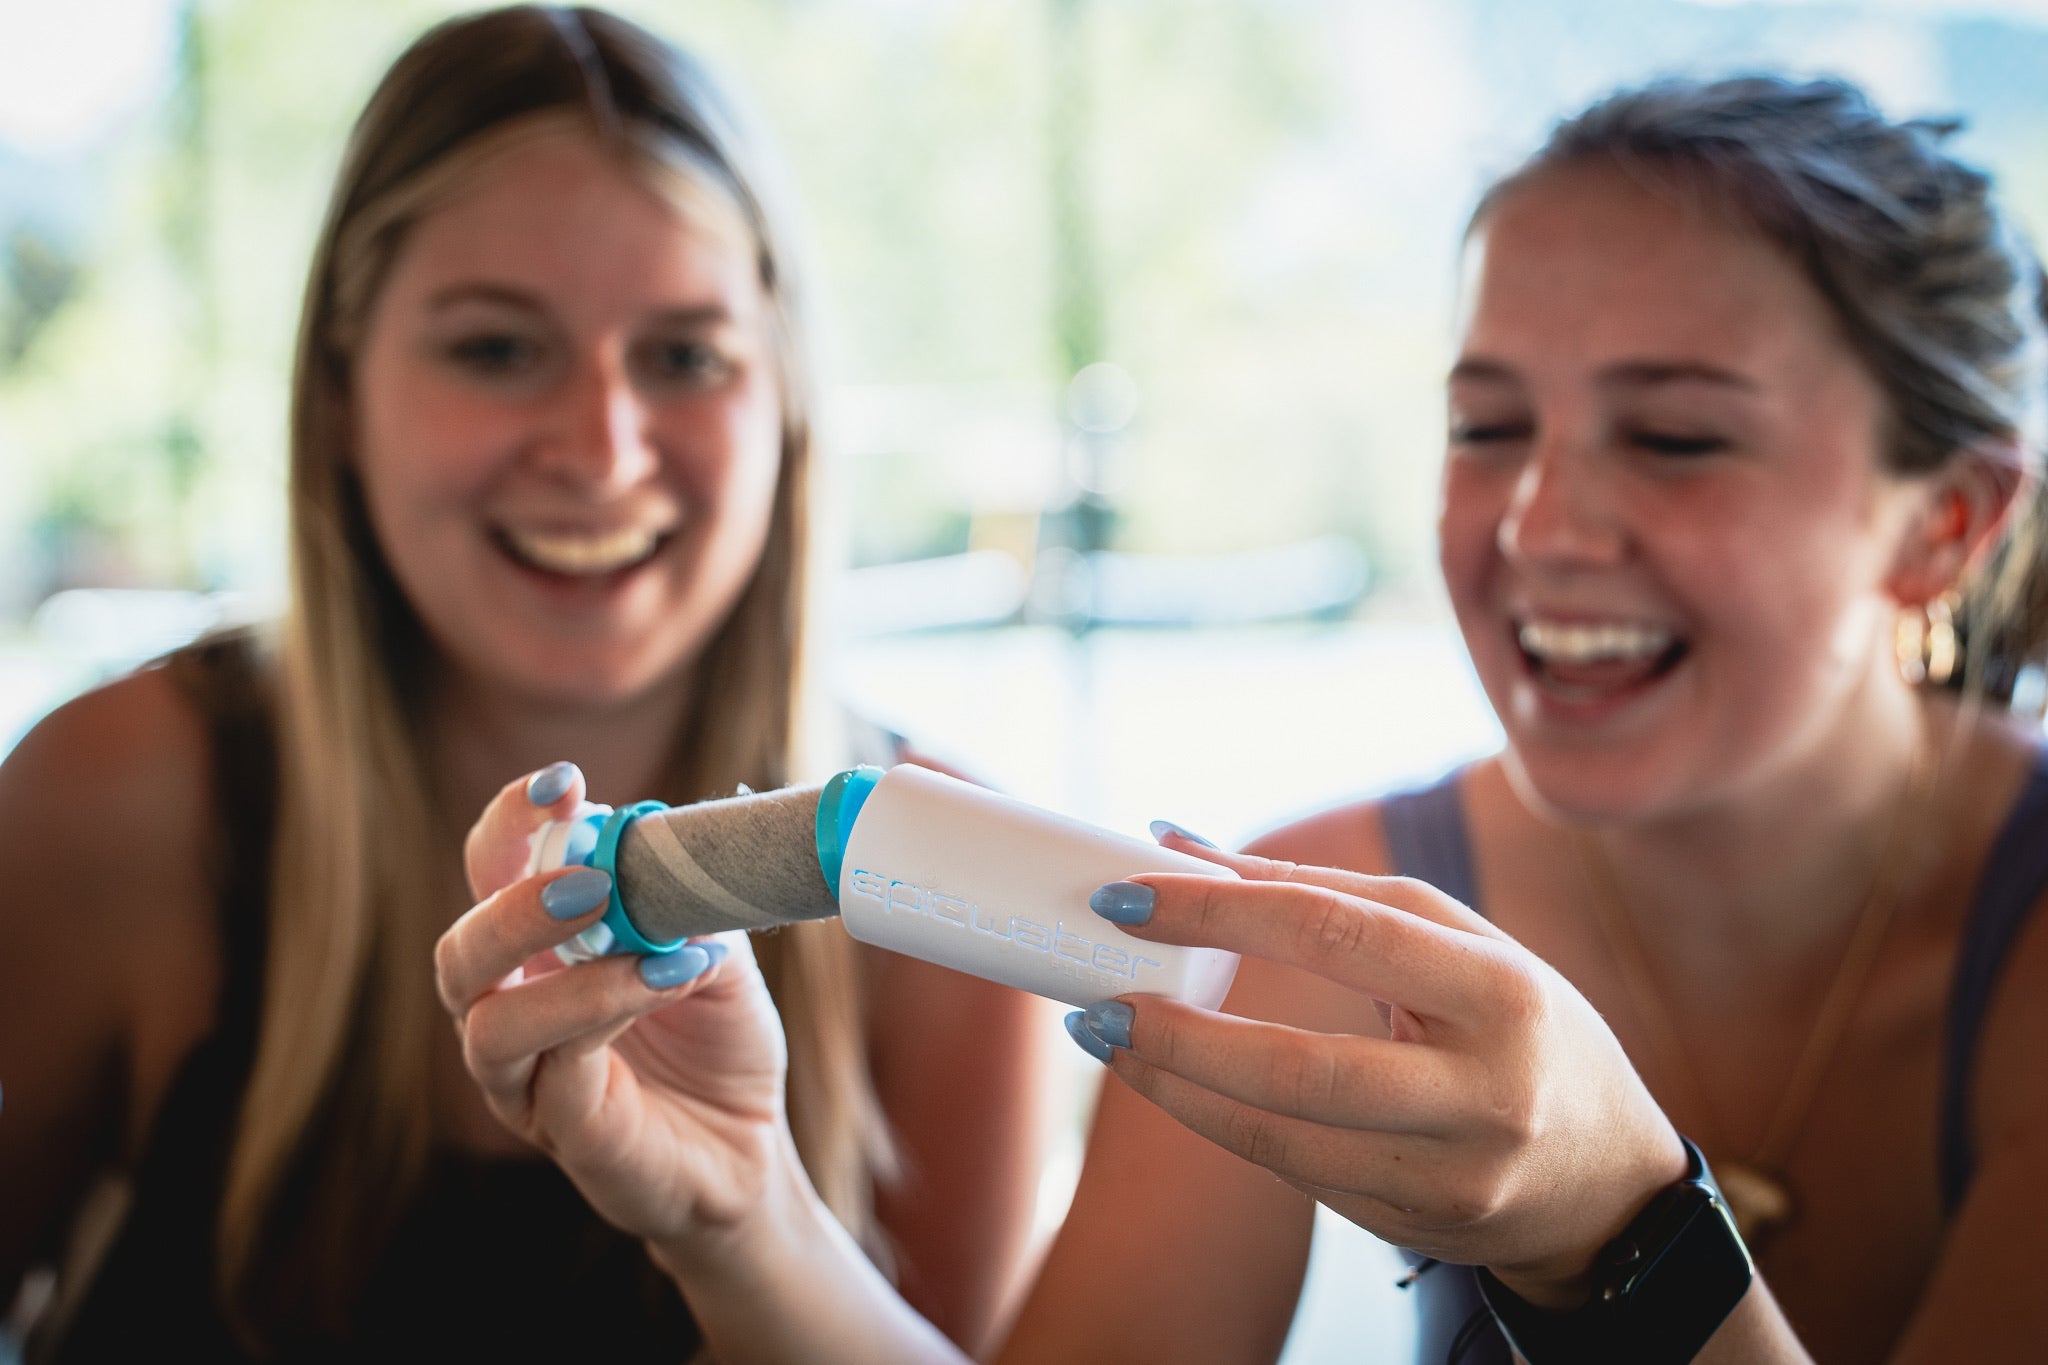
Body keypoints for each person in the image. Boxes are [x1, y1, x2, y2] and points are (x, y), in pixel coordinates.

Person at [441, 73, 2048, 1365]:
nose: (1541, 523)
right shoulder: (1308, 916)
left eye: (1678, 437)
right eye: (1488, 426)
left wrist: (1628, 1234)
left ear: (1948, 523)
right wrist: (741, 1215)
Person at [0, 7, 1050, 1360]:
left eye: (684, 357)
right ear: (340, 395)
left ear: (786, 402)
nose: (602, 452)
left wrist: (754, 1238)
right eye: (498, 349)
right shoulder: (114, 802)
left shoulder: (942, 890)